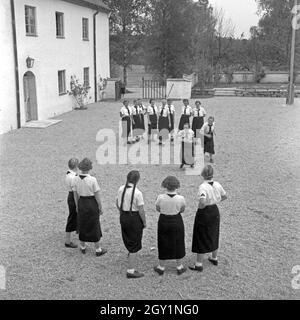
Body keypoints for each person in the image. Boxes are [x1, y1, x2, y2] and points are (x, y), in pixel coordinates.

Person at [189, 165, 227, 272]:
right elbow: (224, 196)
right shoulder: (218, 184)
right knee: (214, 232)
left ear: (203, 174)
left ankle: (199, 263)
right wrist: (215, 201)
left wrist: (201, 206)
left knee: (201, 235)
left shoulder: (203, 187)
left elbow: (202, 201)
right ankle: (214, 257)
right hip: (214, 210)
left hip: (205, 212)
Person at [73, 158, 107, 256]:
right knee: (94, 224)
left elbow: (75, 194)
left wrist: (76, 205)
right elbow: (97, 194)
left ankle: (83, 246)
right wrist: (100, 206)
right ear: (89, 168)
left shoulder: (75, 178)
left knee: (82, 223)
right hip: (91, 202)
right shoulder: (92, 179)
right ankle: (98, 249)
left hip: (81, 202)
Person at [116, 170, 146, 279]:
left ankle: (130, 254)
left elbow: (117, 203)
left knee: (127, 236)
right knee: (135, 242)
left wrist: (122, 211)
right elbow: (141, 210)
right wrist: (144, 221)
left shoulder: (121, 189)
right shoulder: (138, 193)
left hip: (123, 215)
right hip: (134, 218)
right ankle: (131, 270)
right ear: (137, 180)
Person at [154, 176, 187, 276]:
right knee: (178, 241)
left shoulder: (160, 197)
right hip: (176, 220)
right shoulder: (180, 198)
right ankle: (179, 266)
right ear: (177, 186)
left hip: (164, 220)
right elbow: (182, 210)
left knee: (163, 241)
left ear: (165, 185)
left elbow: (157, 208)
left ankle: (161, 267)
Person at [65, 158, 79, 248]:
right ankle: (67, 241)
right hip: (73, 197)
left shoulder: (68, 174)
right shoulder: (73, 177)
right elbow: (75, 193)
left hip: (70, 195)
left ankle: (78, 229)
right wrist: (77, 204)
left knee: (74, 216)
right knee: (72, 217)